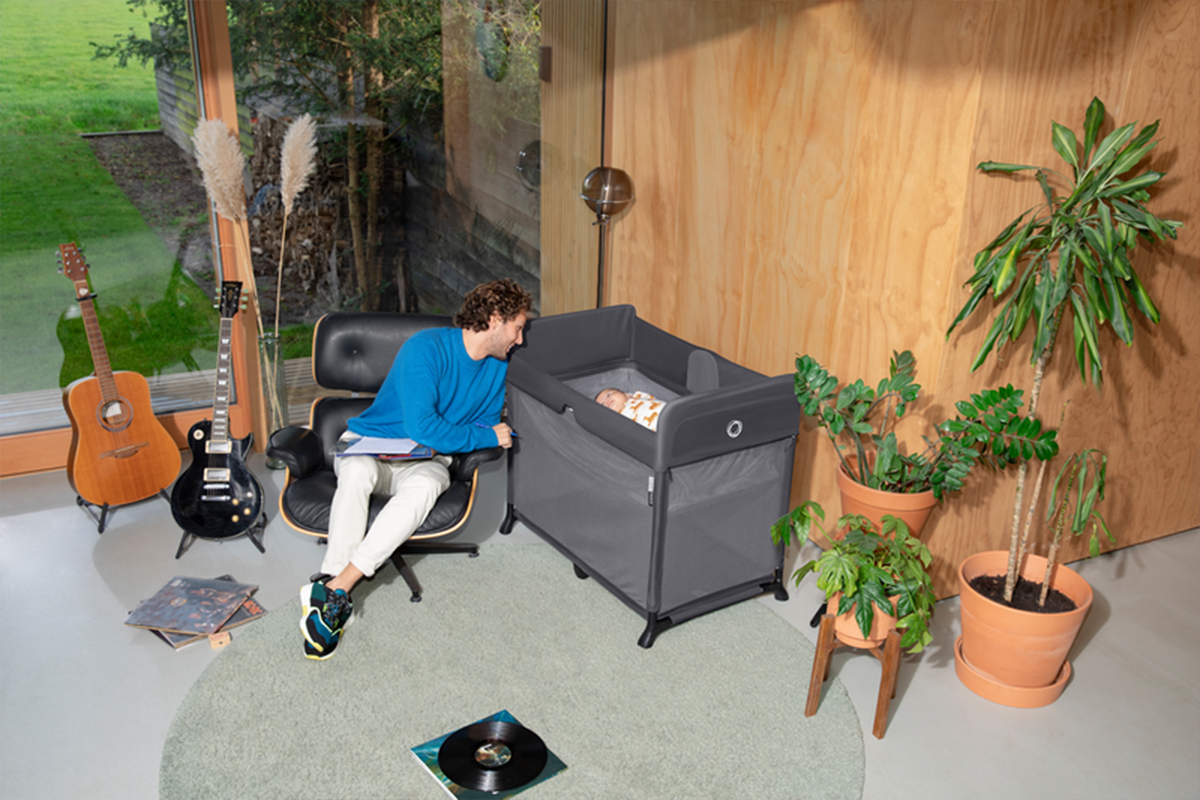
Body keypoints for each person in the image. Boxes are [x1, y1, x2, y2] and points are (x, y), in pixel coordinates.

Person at [300, 279, 534, 660]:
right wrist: (488, 434)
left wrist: (482, 432)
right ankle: (333, 592)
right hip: (373, 445)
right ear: (494, 320)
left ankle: (333, 589)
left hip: (427, 459)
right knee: (356, 475)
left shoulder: (497, 366)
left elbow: (479, 424)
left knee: (427, 486)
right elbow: (426, 427)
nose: (520, 339)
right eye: (517, 327)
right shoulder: (425, 349)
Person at [594, 387, 666, 431]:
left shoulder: (638, 397)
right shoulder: (620, 420)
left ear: (626, 394)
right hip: (658, 429)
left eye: (608, 395)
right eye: (603, 405)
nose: (606, 401)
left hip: (669, 411)